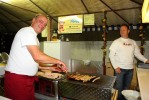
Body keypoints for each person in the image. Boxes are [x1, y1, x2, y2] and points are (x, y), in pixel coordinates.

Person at [4, 14, 67, 100]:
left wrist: (51, 68)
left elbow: (33, 61)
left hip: (26, 80)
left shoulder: (34, 38)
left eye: (45, 25)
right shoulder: (27, 32)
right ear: (33, 20)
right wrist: (58, 61)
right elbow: (37, 56)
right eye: (41, 22)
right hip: (18, 80)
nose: (43, 26)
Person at [109, 24, 149, 100]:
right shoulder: (116, 42)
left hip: (130, 70)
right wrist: (115, 67)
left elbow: (137, 54)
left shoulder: (133, 42)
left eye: (124, 30)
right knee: (119, 89)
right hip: (119, 70)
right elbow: (111, 55)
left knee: (126, 89)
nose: (122, 31)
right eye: (120, 30)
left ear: (128, 31)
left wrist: (145, 60)